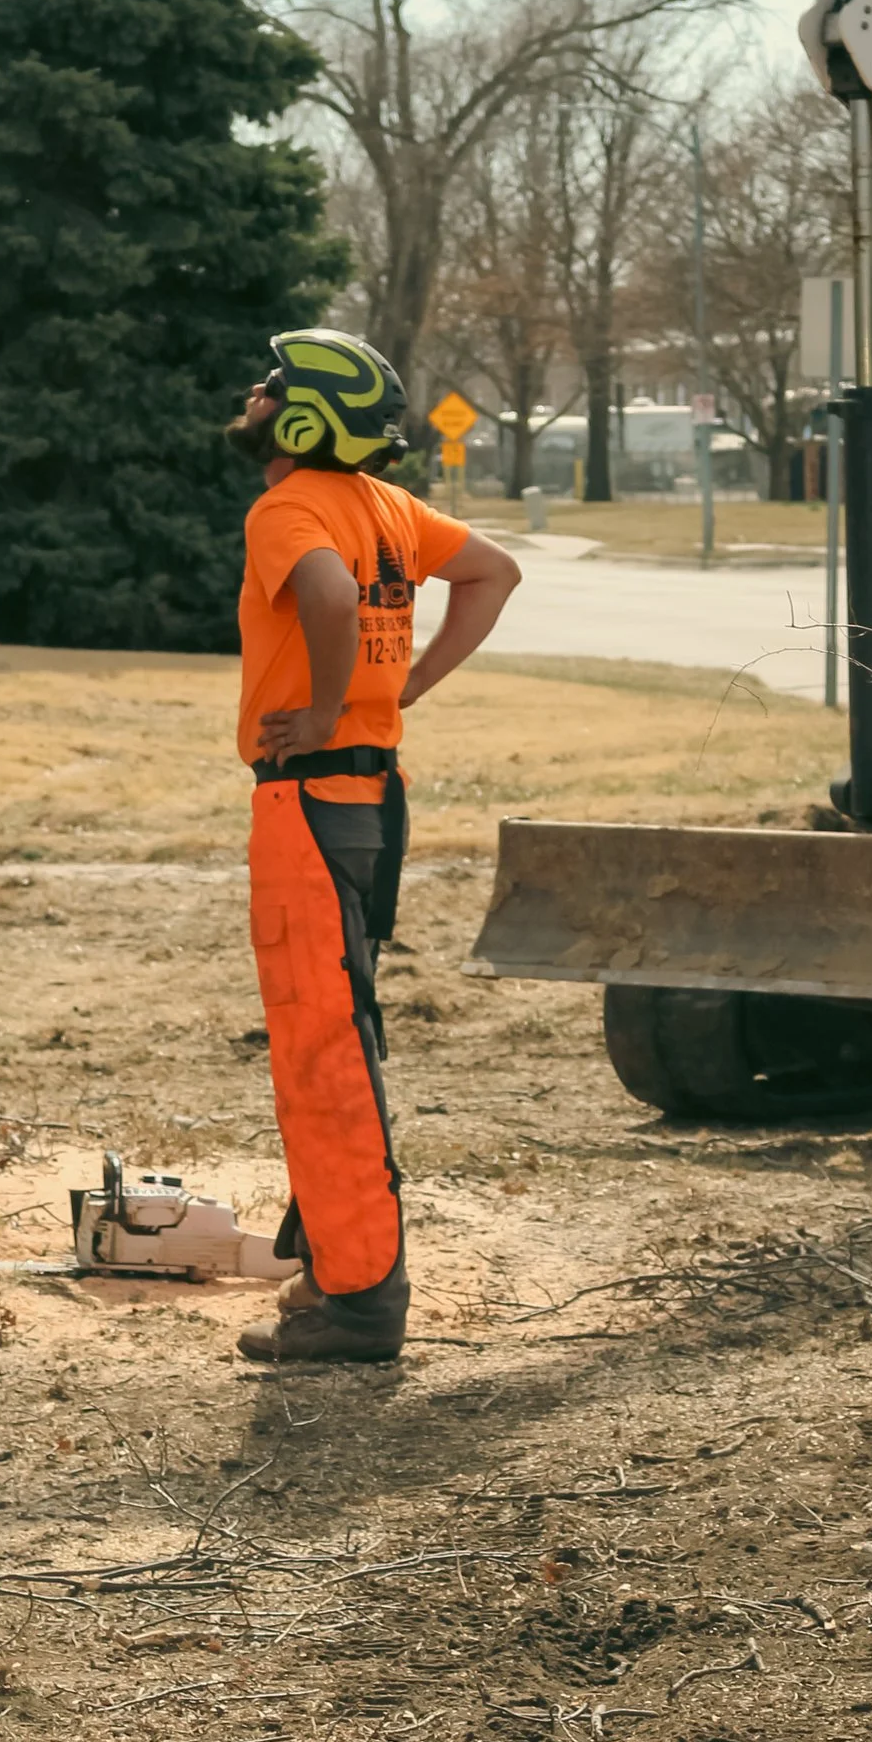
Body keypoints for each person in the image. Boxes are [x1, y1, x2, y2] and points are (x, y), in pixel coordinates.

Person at [226, 328, 520, 1368]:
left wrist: (321, 706)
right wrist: (397, 691)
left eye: (272, 388)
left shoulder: (289, 507)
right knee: (340, 1029)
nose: (253, 396)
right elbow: (493, 573)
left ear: (304, 420)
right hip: (372, 797)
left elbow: (332, 598)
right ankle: (333, 1268)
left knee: (322, 1044)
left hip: (309, 798)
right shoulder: (387, 509)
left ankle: (358, 1302)